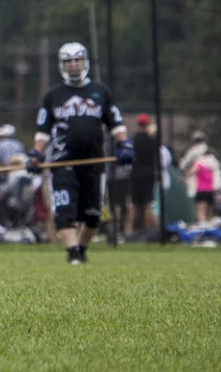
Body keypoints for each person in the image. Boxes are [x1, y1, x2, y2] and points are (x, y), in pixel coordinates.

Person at [27, 42, 127, 265]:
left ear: (85, 61)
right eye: (68, 61)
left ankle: (80, 249)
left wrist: (124, 145)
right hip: (62, 162)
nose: (73, 65)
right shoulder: (53, 95)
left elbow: (116, 123)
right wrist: (36, 154)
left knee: (92, 215)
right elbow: (43, 130)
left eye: (77, 60)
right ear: (62, 65)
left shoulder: (101, 92)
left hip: (94, 162)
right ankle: (72, 253)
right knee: (64, 213)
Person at [126, 112, 160, 235]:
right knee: (147, 203)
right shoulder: (152, 141)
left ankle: (128, 231)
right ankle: (146, 232)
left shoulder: (132, 141)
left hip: (135, 173)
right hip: (149, 174)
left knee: (133, 203)